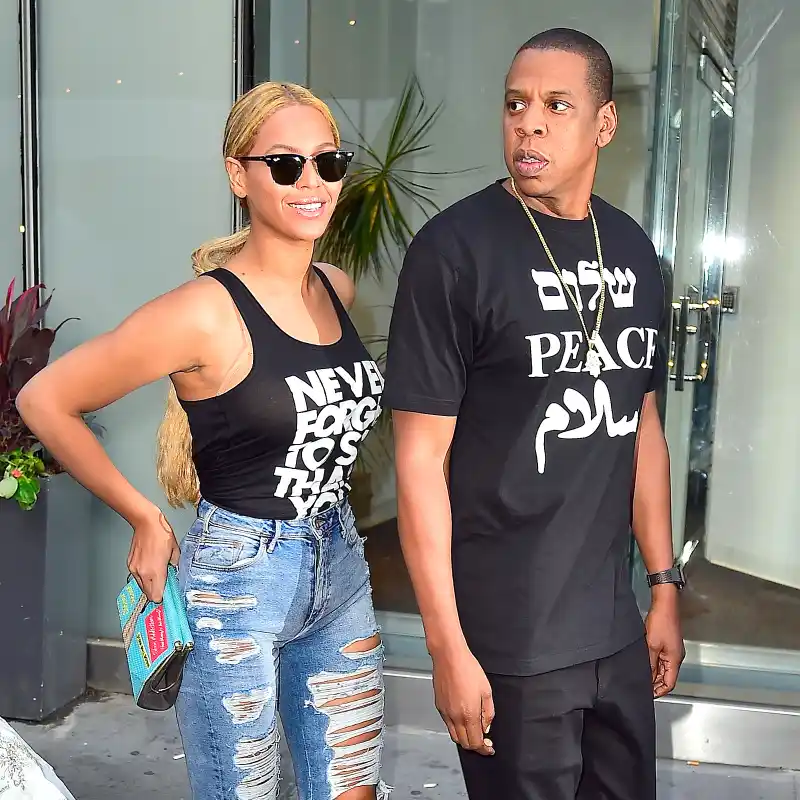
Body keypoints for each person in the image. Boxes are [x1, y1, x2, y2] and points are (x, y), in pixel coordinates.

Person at [16, 81, 391, 800]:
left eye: (327, 161)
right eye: (285, 164)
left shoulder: (334, 288)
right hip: (238, 582)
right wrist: (143, 516)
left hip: (340, 564)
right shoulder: (202, 313)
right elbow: (46, 399)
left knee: (352, 790)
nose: (311, 181)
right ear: (238, 175)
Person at [383, 28, 684, 800]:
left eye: (556, 105)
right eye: (516, 105)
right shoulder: (454, 251)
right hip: (509, 641)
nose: (530, 124)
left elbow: (642, 428)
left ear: (605, 124)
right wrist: (446, 648)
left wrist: (663, 586)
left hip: (611, 629)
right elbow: (419, 463)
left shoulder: (632, 249)